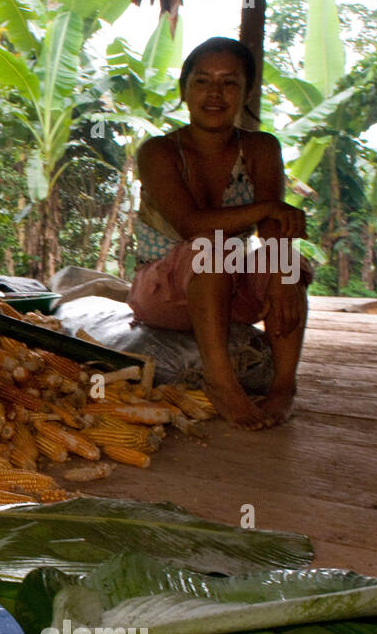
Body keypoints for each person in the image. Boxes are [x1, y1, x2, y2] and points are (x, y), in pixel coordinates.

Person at [130, 36, 310, 430]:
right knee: (210, 247)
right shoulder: (158, 152)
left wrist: (281, 279)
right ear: (184, 90)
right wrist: (266, 208)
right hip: (164, 292)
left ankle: (283, 387)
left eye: (229, 82)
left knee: (288, 262)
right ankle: (222, 383)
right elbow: (190, 224)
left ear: (248, 91)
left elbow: (274, 229)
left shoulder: (261, 148)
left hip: (225, 293)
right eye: (203, 81)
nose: (215, 93)